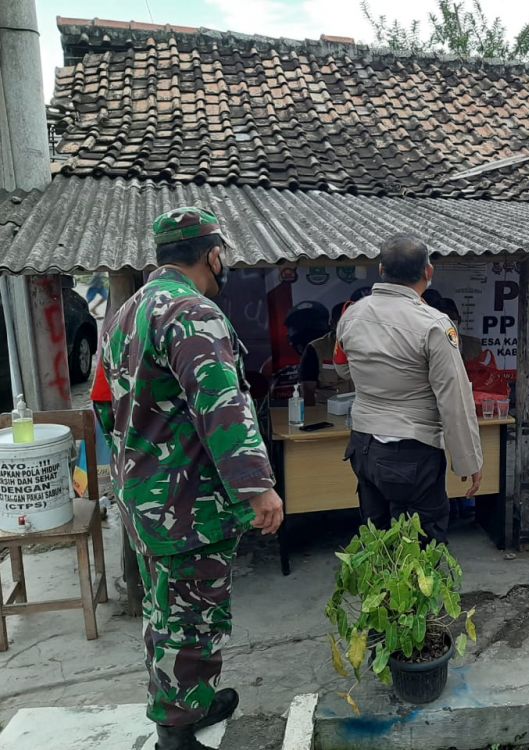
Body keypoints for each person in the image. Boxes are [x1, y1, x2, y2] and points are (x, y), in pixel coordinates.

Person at [97, 206, 283, 750]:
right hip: (185, 503)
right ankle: (176, 732)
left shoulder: (126, 313)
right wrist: (257, 487)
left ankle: (190, 699)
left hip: (143, 493)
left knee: (166, 608)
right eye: (222, 254)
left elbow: (105, 407)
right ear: (212, 255)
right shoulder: (190, 311)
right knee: (192, 617)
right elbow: (221, 404)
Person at [335, 234, 483, 543]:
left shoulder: (351, 315)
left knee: (378, 543)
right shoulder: (434, 323)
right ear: (429, 272)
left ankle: (381, 593)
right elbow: (454, 396)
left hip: (363, 446)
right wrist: (468, 460)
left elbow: (342, 367)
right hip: (412, 451)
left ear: (381, 270)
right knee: (421, 550)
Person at [298, 300, 353, 406]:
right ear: (332, 324)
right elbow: (308, 389)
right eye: (342, 324)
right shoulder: (315, 349)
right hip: (326, 412)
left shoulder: (369, 347)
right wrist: (313, 417)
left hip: (360, 411)